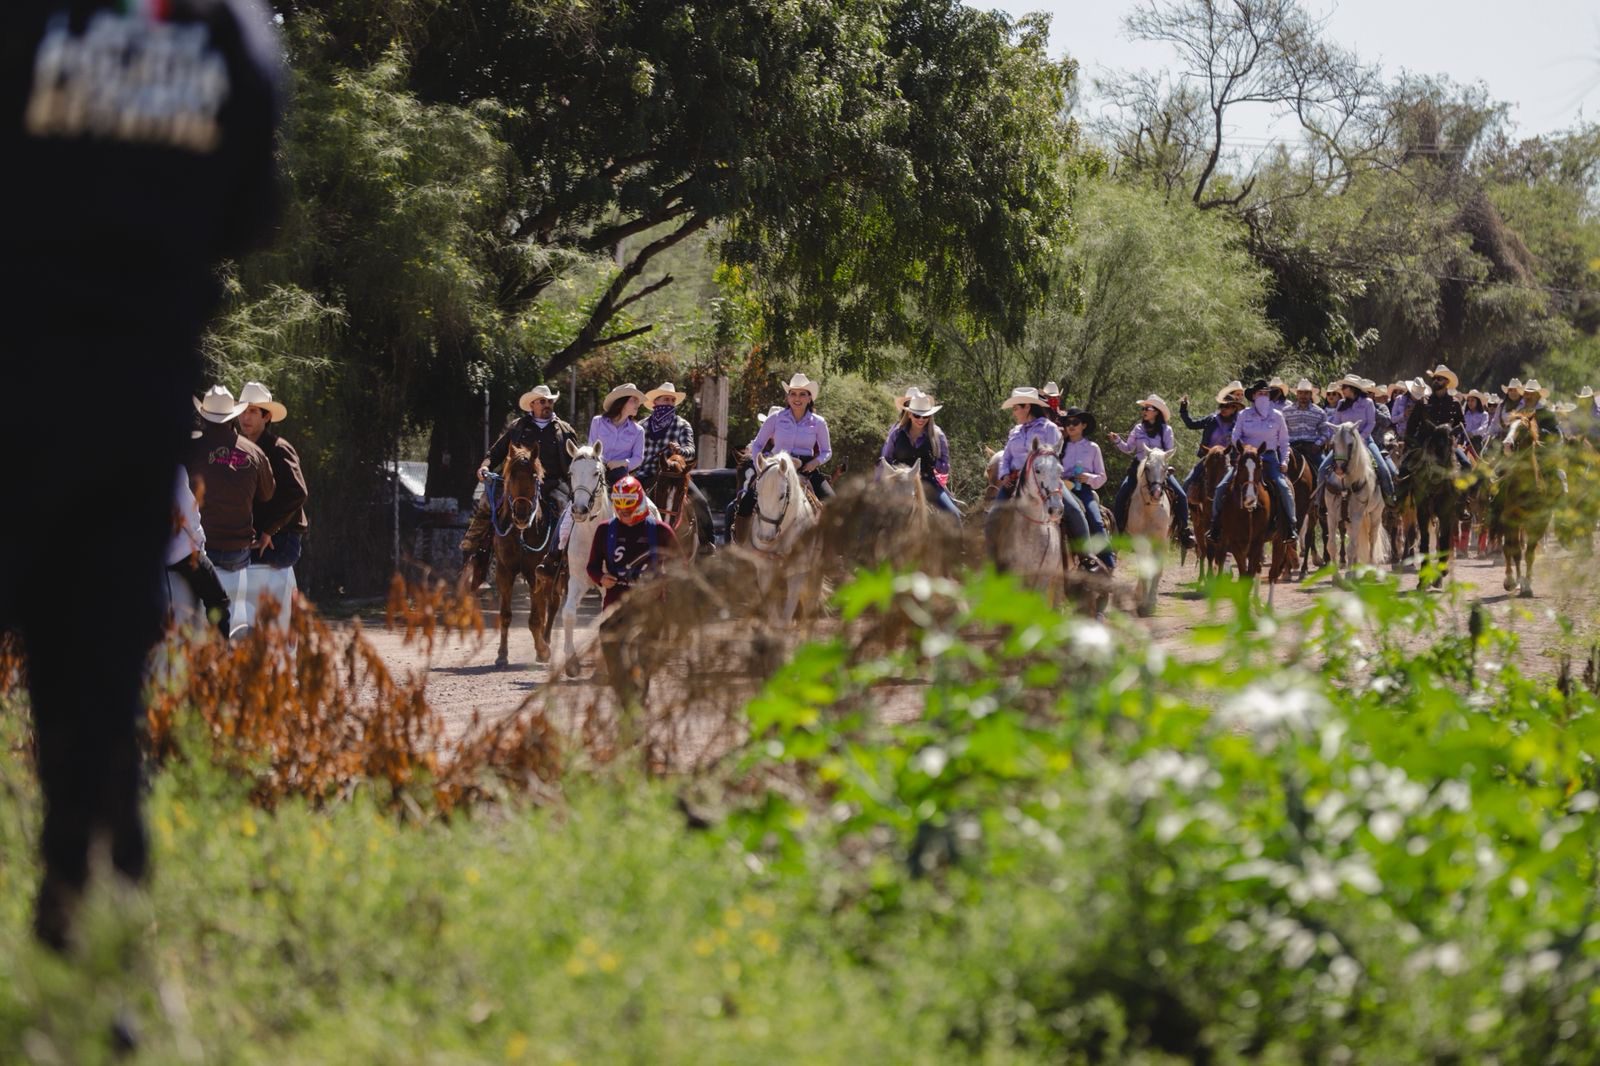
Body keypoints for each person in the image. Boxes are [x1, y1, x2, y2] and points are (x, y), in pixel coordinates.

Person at [5, 0, 282, 951]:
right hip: (137, 386)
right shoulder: (225, 31)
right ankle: (100, 881)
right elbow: (253, 209)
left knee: (65, 640)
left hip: (22, 371)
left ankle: (80, 887)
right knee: (105, 650)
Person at [462, 383, 578, 578]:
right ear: (532, 405)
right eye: (542, 401)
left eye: (550, 401)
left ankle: (566, 560)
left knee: (568, 511)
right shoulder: (518, 427)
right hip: (515, 486)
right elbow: (496, 452)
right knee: (486, 502)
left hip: (552, 485)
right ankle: (474, 552)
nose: (547, 405)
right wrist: (485, 467)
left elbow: (575, 460)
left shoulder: (565, 430)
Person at [985, 386, 1096, 563]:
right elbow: (1006, 457)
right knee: (992, 518)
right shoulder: (1015, 431)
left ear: (1027, 407)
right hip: (1014, 481)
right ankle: (992, 563)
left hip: (1046, 480)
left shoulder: (1049, 428)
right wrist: (1004, 475)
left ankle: (1086, 557)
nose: (1013, 412)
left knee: (1075, 511)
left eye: (1016, 408)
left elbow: (1053, 457)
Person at [191, 385, 276, 574]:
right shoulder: (254, 452)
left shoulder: (189, 450)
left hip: (199, 550)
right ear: (232, 417)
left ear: (203, 417)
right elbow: (267, 494)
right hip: (236, 552)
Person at [1207, 380, 1297, 549]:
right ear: (1253, 396)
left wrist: (1284, 461)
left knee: (1284, 487)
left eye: (1266, 394)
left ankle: (1291, 527)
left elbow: (1285, 442)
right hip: (1246, 458)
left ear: (1269, 396)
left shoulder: (1278, 416)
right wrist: (1245, 449)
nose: (1263, 396)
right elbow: (1235, 436)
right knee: (1221, 487)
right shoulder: (1244, 415)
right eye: (1260, 393)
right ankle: (1216, 526)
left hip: (1269, 458)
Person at [236, 381, 307, 569]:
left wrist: (269, 530)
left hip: (282, 540)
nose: (245, 417)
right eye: (243, 411)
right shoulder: (242, 448)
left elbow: (298, 492)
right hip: (263, 537)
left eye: (252, 411)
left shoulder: (279, 449)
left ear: (266, 416)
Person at [1110, 395, 1194, 549]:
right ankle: (1117, 532)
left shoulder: (1166, 430)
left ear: (1156, 412)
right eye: (1143, 408)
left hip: (1159, 469)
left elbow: (1168, 451)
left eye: (1147, 408)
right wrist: (1117, 441)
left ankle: (1184, 531)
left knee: (1181, 496)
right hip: (1139, 468)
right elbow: (1129, 448)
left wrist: (1161, 463)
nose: (1143, 411)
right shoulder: (1138, 428)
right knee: (1122, 495)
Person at [739, 373, 834, 510]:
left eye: (802, 394)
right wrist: (759, 467)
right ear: (788, 397)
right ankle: (738, 524)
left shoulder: (819, 422)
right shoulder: (775, 418)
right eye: (793, 394)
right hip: (776, 467)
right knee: (744, 507)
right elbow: (757, 444)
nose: (797, 398)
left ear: (809, 398)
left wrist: (815, 462)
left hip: (806, 468)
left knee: (833, 504)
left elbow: (827, 451)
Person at [637, 381, 713, 548]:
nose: (670, 403)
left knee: (701, 502)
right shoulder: (641, 426)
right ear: (655, 402)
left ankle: (707, 544)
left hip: (674, 476)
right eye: (666, 399)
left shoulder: (682, 424)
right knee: (624, 499)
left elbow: (691, 450)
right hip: (646, 474)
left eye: (672, 400)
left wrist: (680, 450)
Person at [585, 476, 678, 609]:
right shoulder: (604, 529)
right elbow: (592, 566)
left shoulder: (661, 530)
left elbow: (681, 567)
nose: (624, 510)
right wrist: (601, 578)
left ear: (640, 501)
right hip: (615, 607)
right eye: (619, 503)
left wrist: (661, 583)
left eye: (629, 503)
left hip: (652, 609)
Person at [168, 465, 231, 638]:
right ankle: (220, 649)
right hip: (182, 551)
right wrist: (199, 541)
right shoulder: (176, 469)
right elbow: (188, 514)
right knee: (219, 601)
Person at [880, 388, 959, 517]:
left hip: (927, 482)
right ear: (909, 414)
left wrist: (935, 462)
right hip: (899, 481)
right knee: (873, 513)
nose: (921, 419)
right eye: (917, 415)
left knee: (954, 514)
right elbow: (885, 459)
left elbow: (945, 467)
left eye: (925, 416)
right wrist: (882, 480)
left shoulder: (937, 435)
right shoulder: (896, 433)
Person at [1319, 375, 1397, 503]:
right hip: (1344, 443)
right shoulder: (1341, 403)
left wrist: (1359, 439)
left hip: (1365, 441)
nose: (1342, 390)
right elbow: (1336, 423)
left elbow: (1371, 423)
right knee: (1322, 469)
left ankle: (1390, 498)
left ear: (1353, 388)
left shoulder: (1368, 403)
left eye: (1344, 387)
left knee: (1383, 469)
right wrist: (1334, 439)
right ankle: (1319, 502)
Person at [1059, 407, 1115, 570]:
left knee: (1096, 521)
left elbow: (1102, 477)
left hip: (1083, 490)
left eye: (1075, 422)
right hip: (1062, 489)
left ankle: (1108, 564)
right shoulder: (1059, 447)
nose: (1071, 426)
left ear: (1083, 425)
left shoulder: (1093, 448)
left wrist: (1088, 477)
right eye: (1068, 423)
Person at [1178, 383, 1244, 510]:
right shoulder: (1211, 419)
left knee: (1240, 486)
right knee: (1187, 482)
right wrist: (1183, 409)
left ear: (1234, 408)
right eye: (1221, 406)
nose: (1223, 408)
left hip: (1228, 460)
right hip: (1208, 458)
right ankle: (1182, 516)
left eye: (1227, 406)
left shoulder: (1238, 424)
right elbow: (1191, 424)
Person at [590, 383, 647, 486]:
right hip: (595, 472)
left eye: (637, 401)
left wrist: (622, 463)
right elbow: (591, 449)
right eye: (634, 400)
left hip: (620, 477)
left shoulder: (638, 431)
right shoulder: (597, 422)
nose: (638, 404)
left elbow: (638, 458)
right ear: (622, 402)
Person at [1283, 379, 1329, 472]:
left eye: (1306, 393)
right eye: (1300, 393)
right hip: (1291, 447)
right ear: (1297, 394)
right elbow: (1281, 431)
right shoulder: (1286, 411)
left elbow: (1325, 433)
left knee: (1326, 468)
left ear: (1311, 394)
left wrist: (1317, 444)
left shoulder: (1319, 412)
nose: (1303, 396)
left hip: (1311, 447)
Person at [1462, 390, 1491, 454]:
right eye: (1468, 400)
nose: (1470, 402)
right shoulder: (1465, 414)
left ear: (1478, 401)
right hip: (1463, 441)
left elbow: (1483, 428)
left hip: (1477, 442)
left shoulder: (1484, 414)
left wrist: (1472, 433)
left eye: (1472, 400)